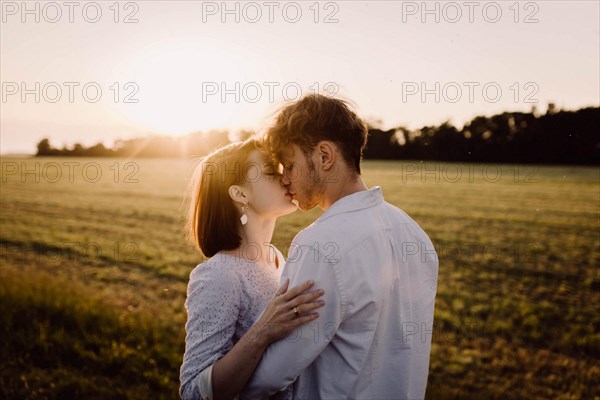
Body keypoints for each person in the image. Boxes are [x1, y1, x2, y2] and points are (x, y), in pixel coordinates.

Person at [241, 94, 439, 400]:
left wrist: (214, 385)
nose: (285, 179)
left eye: (289, 165)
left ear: (324, 156)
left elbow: (272, 375)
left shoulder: (319, 245)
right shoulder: (415, 235)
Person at [179, 138, 326, 400]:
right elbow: (193, 392)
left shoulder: (277, 258)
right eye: (271, 171)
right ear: (240, 194)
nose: (286, 177)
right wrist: (262, 332)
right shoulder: (220, 275)